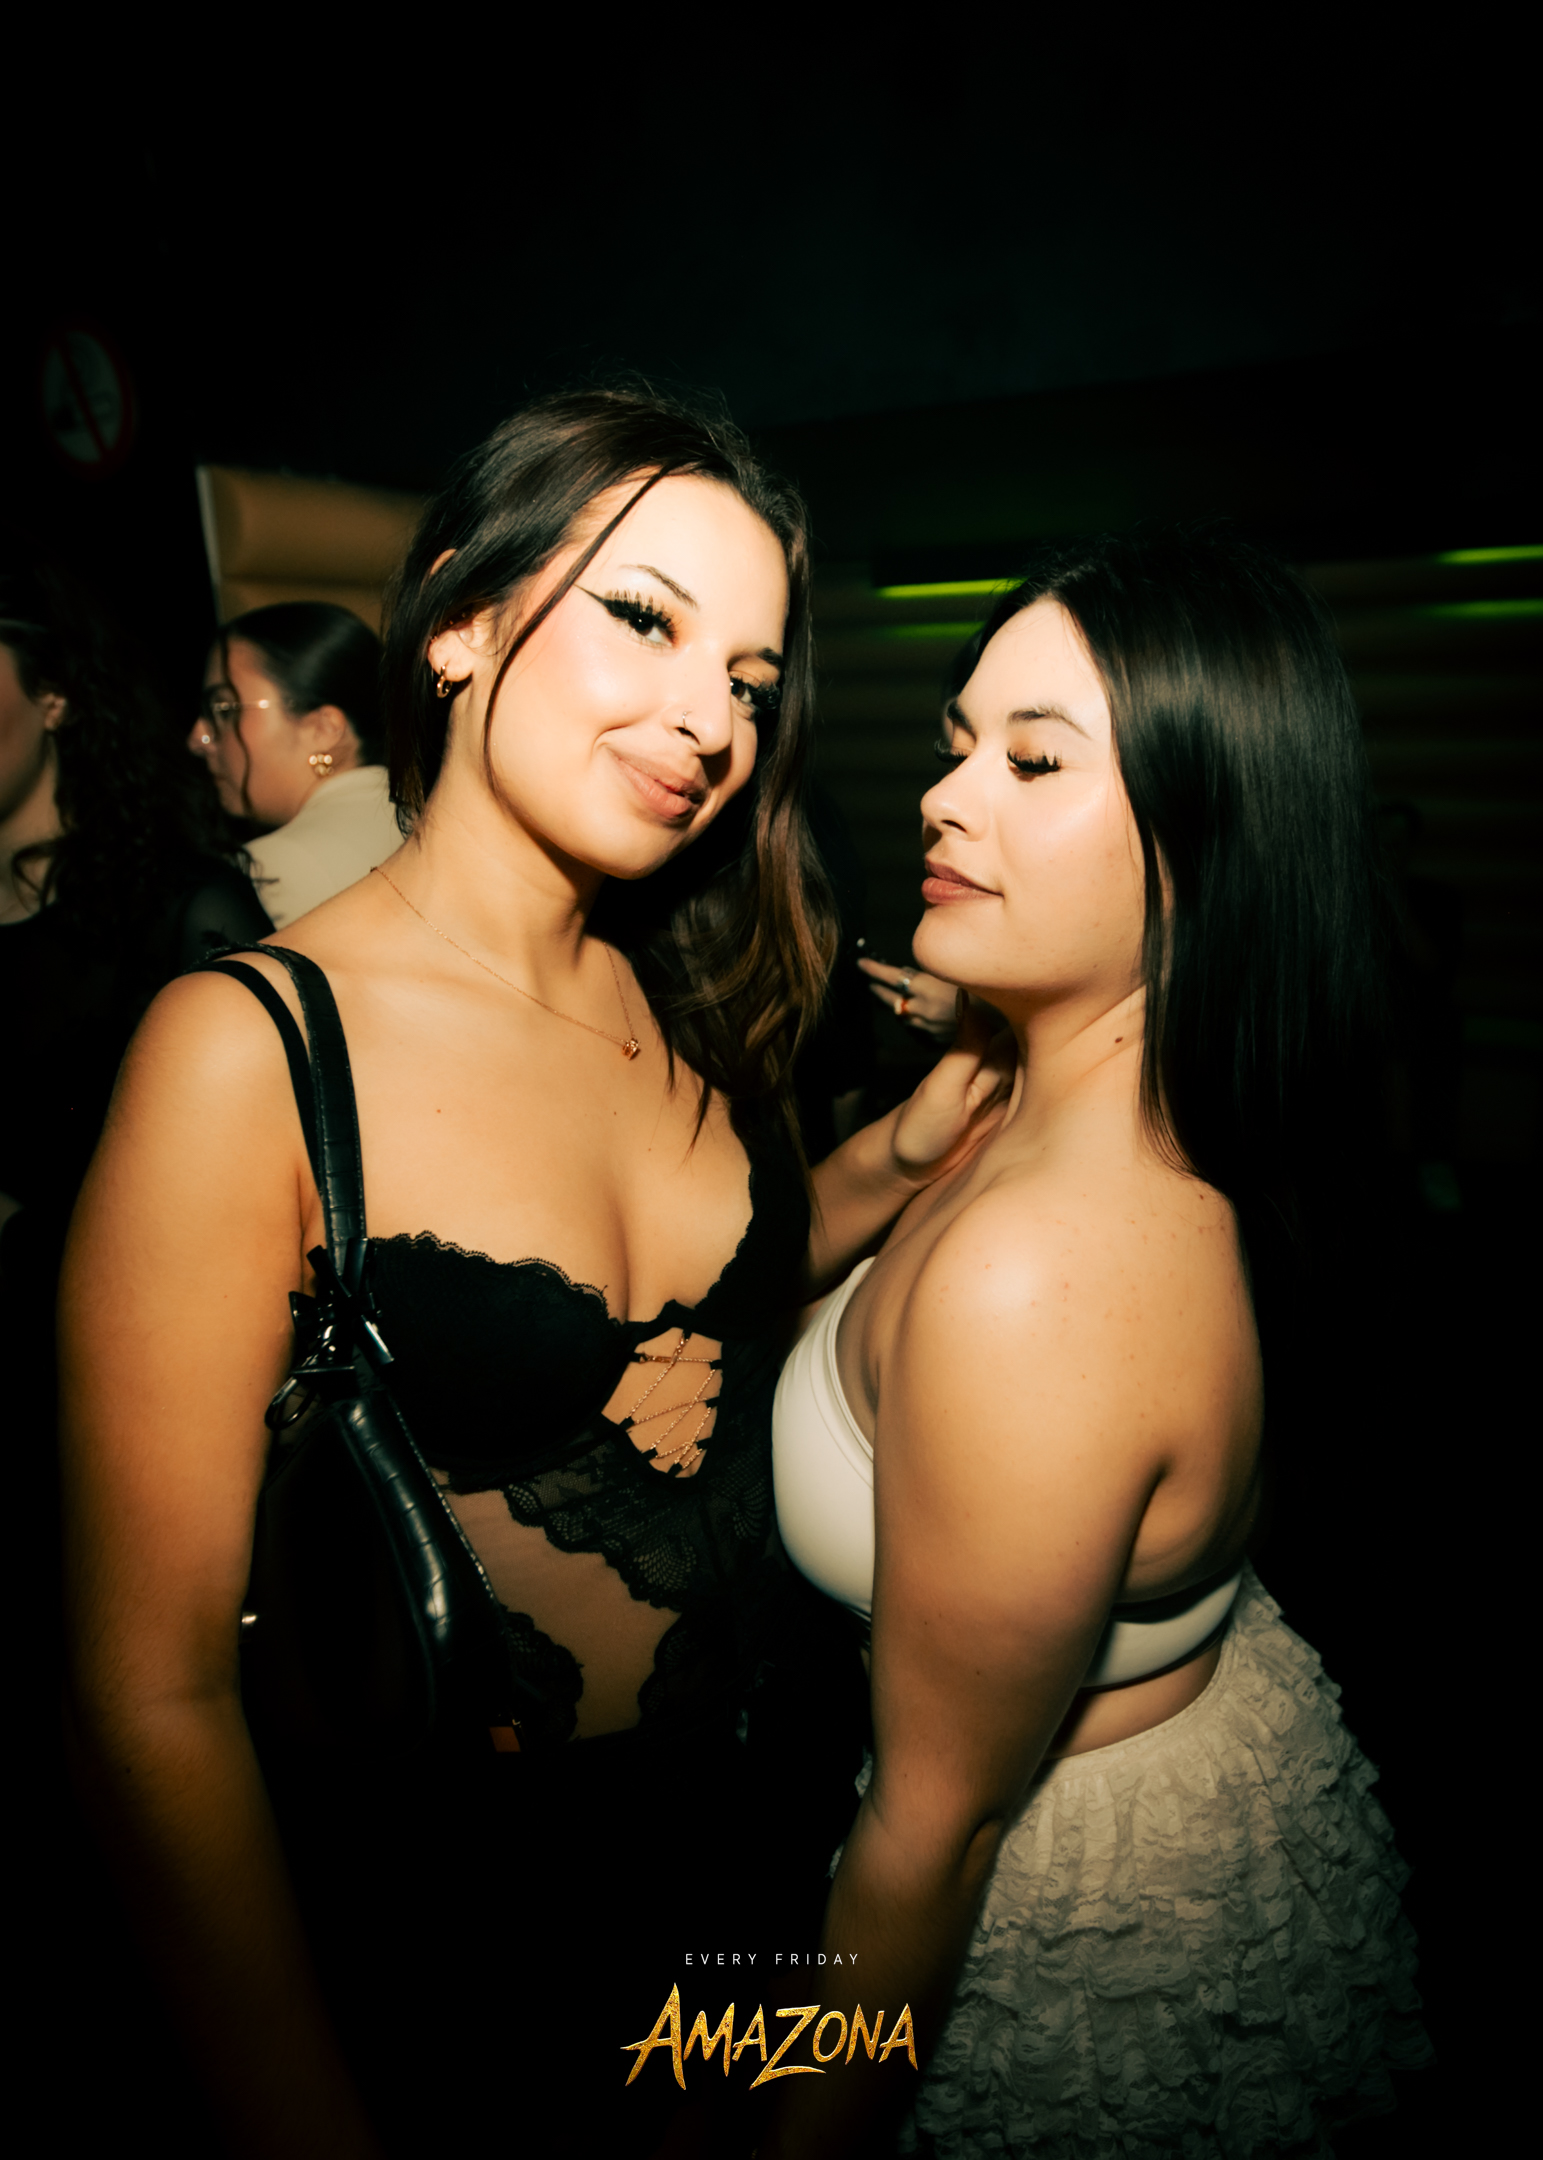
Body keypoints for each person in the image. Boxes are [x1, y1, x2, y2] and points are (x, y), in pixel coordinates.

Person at [60, 390, 1006, 2160]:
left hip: (777, 1857)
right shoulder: (249, 1050)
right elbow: (148, 1700)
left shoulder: (684, 984)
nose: (708, 719)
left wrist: (903, 1153)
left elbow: (726, 1300)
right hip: (479, 1935)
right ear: (460, 624)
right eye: (643, 618)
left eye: (749, 679)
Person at [769, 529, 1431, 2158]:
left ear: (1192, 851)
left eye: (1032, 760)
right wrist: (906, 1147)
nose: (942, 797)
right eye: (956, 744)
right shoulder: (1033, 1105)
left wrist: (772, 2127)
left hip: (1039, 1921)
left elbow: (928, 1841)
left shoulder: (1036, 1284)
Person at [190, 601, 403, 926]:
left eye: (224, 709)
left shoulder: (263, 874)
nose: (198, 738)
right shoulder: (429, 827)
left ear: (323, 729)